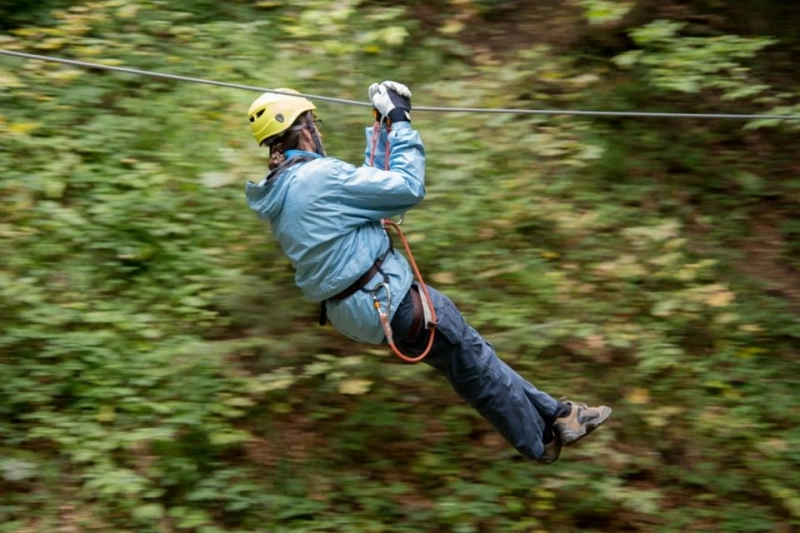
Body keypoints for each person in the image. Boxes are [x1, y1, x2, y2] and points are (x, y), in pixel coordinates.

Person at [245, 81, 611, 464]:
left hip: (357, 313)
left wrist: (384, 127)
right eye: (314, 122)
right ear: (304, 129)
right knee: (472, 361)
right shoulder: (318, 177)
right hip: (389, 299)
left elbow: (374, 191)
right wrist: (401, 122)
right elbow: (406, 188)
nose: (318, 131)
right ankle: (539, 442)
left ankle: (560, 414)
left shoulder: (283, 190)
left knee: (468, 354)